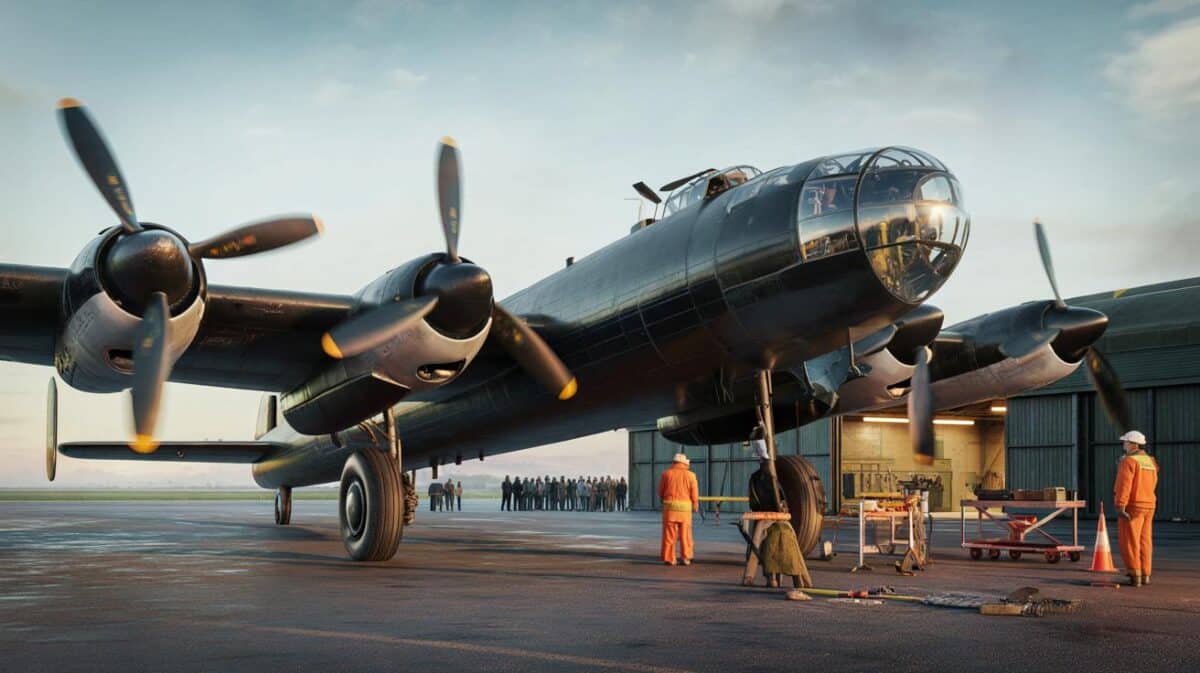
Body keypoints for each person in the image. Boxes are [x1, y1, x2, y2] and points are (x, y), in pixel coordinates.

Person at [1115, 430, 1158, 587]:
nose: (1123, 444)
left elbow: (1124, 486)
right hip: (1149, 504)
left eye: (1125, 442)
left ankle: (1135, 575)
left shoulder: (1128, 461)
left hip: (1133, 506)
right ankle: (1145, 573)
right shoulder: (1150, 461)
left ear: (1133, 444)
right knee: (1145, 540)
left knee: (1130, 540)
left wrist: (1120, 505)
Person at [659, 453, 699, 565]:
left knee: (669, 534)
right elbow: (694, 493)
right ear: (685, 463)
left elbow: (660, 491)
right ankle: (686, 558)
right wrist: (695, 504)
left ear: (674, 463)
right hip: (685, 510)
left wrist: (664, 499)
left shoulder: (666, 474)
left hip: (669, 508)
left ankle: (669, 558)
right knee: (685, 535)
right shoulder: (691, 475)